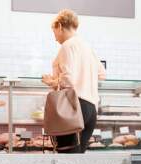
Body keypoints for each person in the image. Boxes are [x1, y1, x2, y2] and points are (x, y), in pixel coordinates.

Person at [42, 9, 106, 153]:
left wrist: (52, 81)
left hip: (74, 107)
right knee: (78, 157)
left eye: (54, 33)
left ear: (59, 26)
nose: (55, 38)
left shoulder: (67, 45)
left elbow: (68, 81)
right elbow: (102, 74)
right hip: (91, 109)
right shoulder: (87, 47)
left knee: (66, 158)